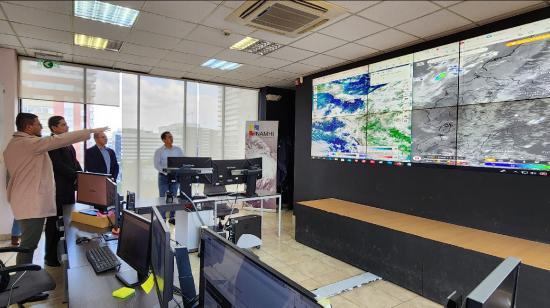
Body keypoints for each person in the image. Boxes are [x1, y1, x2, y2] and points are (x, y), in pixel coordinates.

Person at [3, 112, 108, 265]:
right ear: (28, 126)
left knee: (29, 243)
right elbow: (60, 140)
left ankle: (25, 278)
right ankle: (23, 282)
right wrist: (90, 131)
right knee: (28, 246)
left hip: (25, 200)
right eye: (38, 124)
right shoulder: (29, 143)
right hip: (30, 203)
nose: (40, 127)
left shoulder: (14, 144)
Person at [44, 116, 83, 266]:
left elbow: (75, 162)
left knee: (66, 224)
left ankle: (63, 254)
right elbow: (58, 165)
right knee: (54, 223)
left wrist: (82, 175)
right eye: (63, 125)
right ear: (54, 128)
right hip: (58, 191)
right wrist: (76, 176)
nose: (67, 127)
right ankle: (50, 257)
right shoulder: (52, 143)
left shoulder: (67, 143)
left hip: (68, 190)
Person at [154, 131, 183, 223]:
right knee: (163, 197)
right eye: (169, 137)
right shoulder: (159, 151)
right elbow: (156, 165)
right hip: (164, 176)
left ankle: (172, 217)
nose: (171, 138)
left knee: (174, 196)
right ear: (164, 140)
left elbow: (182, 161)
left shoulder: (178, 150)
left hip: (175, 175)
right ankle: (162, 218)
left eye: (172, 137)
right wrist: (166, 171)